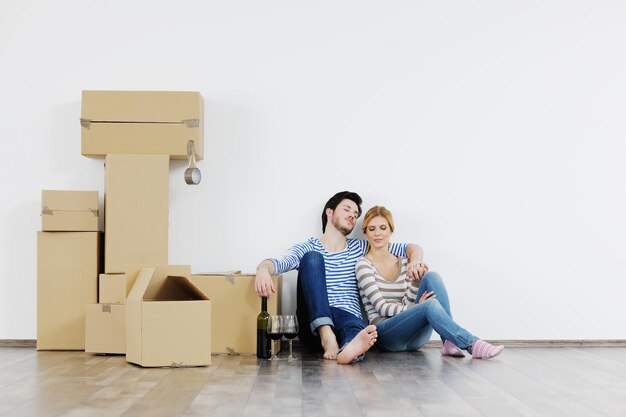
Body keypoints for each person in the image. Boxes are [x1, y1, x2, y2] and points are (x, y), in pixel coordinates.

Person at [254, 191, 427, 364]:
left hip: (347, 319)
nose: (352, 215)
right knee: (312, 258)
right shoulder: (308, 247)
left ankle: (348, 349)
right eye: (347, 209)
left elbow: (410, 248)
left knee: (357, 327)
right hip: (313, 326)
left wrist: (415, 260)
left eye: (356, 214)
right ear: (329, 212)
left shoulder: (361, 247)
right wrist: (263, 269)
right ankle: (326, 334)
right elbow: (277, 263)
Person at [356, 206, 504, 359]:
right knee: (429, 305)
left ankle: (448, 341)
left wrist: (416, 281)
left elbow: (407, 301)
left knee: (432, 276)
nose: (377, 233)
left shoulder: (406, 262)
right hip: (386, 335)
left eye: (382, 228)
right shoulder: (363, 265)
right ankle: (472, 344)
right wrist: (417, 307)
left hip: (415, 340)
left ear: (391, 231)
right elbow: (382, 308)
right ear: (365, 233)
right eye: (372, 229)